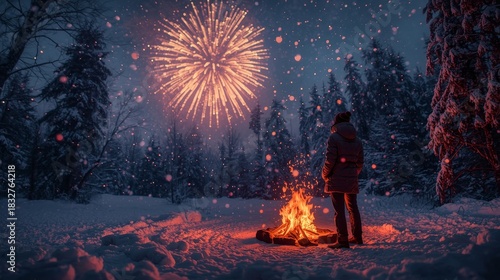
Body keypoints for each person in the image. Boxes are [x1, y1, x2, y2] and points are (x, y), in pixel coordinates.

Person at [322, 111, 364, 249]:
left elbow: (330, 160)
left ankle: (343, 240)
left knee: (339, 211)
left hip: (336, 179)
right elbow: (360, 162)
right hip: (351, 178)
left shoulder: (334, 138)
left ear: (337, 123)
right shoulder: (357, 140)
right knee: (353, 208)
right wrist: (353, 173)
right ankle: (357, 237)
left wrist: (325, 174)